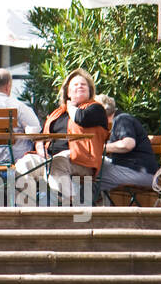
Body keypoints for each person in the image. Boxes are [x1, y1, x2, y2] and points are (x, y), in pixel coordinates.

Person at [14, 68, 109, 206]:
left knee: (57, 162)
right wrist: (40, 148)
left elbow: (81, 118)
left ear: (90, 91)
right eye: (75, 85)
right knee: (24, 164)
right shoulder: (58, 113)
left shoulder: (95, 109)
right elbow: (42, 136)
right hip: (50, 159)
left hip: (82, 160)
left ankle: (69, 207)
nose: (80, 86)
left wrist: (71, 106)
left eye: (83, 84)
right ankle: (27, 208)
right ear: (68, 92)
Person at [96, 94, 157, 198]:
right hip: (138, 171)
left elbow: (127, 144)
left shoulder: (122, 119)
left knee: (89, 173)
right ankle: (91, 208)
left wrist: (99, 148)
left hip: (140, 172)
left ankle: (80, 211)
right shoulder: (118, 121)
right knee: (92, 169)